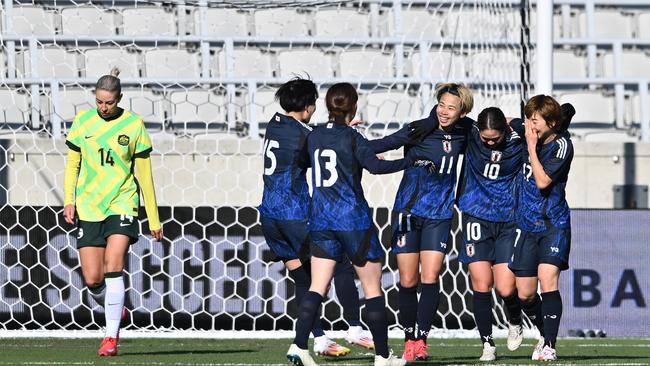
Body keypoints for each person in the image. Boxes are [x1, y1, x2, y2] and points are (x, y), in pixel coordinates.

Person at [286, 82, 415, 366]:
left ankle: (299, 345)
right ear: (354, 107)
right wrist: (411, 161)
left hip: (321, 220)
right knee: (372, 289)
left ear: (327, 107)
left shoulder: (314, 135)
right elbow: (377, 167)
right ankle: (383, 356)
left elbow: (302, 162)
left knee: (316, 287)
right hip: (354, 221)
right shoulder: (354, 138)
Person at [258, 77, 373, 358]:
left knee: (302, 278)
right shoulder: (304, 136)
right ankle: (355, 327)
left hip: (269, 215)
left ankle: (319, 340)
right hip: (294, 213)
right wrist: (343, 133)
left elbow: (307, 133)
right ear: (309, 107)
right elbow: (321, 147)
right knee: (342, 261)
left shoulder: (274, 124)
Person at [368, 83, 473, 362]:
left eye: (451, 107)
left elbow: (493, 129)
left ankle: (421, 340)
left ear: (462, 112)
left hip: (439, 215)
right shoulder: (420, 129)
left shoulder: (466, 131)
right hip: (407, 212)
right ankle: (408, 338)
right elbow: (386, 143)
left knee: (430, 277)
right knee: (407, 279)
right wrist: (352, 143)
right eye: (442, 104)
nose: (444, 111)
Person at [63, 68, 163, 357]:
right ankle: (115, 306)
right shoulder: (83, 122)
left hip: (122, 202)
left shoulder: (133, 125)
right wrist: (69, 200)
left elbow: (145, 176)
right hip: (90, 205)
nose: (103, 108)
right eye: (99, 102)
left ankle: (110, 339)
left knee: (113, 263)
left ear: (120, 98)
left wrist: (153, 219)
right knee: (93, 278)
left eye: (109, 102)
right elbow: (72, 165)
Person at [509, 96, 575, 361]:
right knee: (525, 294)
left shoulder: (561, 145)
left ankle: (549, 343)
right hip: (526, 225)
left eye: (535, 120)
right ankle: (543, 331)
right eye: (528, 119)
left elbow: (543, 181)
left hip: (553, 223)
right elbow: (507, 122)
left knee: (548, 281)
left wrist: (532, 147)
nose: (529, 125)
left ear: (552, 123)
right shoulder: (529, 129)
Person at [456, 107, 525, 361]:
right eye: (486, 138)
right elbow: (445, 115)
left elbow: (549, 131)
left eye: (495, 138)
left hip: (508, 219)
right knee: (481, 284)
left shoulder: (518, 140)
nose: (489, 142)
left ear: (505, 131)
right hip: (475, 215)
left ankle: (515, 320)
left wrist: (516, 122)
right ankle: (487, 344)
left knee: (506, 288)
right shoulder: (472, 134)